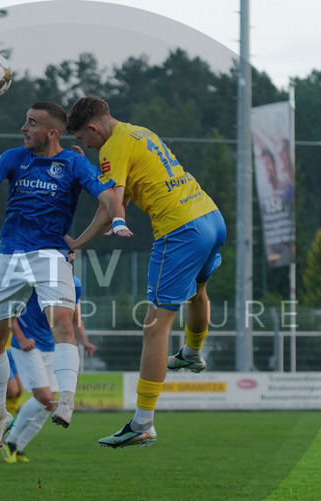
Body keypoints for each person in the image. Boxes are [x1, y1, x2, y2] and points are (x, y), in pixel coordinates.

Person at [0, 101, 125, 458]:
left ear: (52, 132)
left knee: (63, 322)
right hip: (10, 254)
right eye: (25, 121)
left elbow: (109, 203)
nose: (23, 128)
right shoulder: (15, 157)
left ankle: (67, 400)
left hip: (49, 254)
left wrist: (92, 234)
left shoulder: (75, 163)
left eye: (31, 123)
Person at [66, 96, 227, 449]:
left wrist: (76, 243)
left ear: (93, 128)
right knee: (198, 293)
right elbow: (121, 177)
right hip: (210, 215)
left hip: (180, 230)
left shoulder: (112, 146)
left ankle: (142, 423)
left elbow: (110, 206)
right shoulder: (139, 132)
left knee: (154, 328)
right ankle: (192, 352)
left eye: (82, 139)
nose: (86, 146)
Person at [2, 276, 96, 463]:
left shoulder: (74, 284)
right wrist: (20, 338)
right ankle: (10, 443)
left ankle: (19, 448)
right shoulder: (34, 278)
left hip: (51, 347)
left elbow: (75, 319)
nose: (66, 256)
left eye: (68, 253)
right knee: (44, 396)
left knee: (50, 404)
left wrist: (84, 342)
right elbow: (8, 309)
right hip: (27, 345)